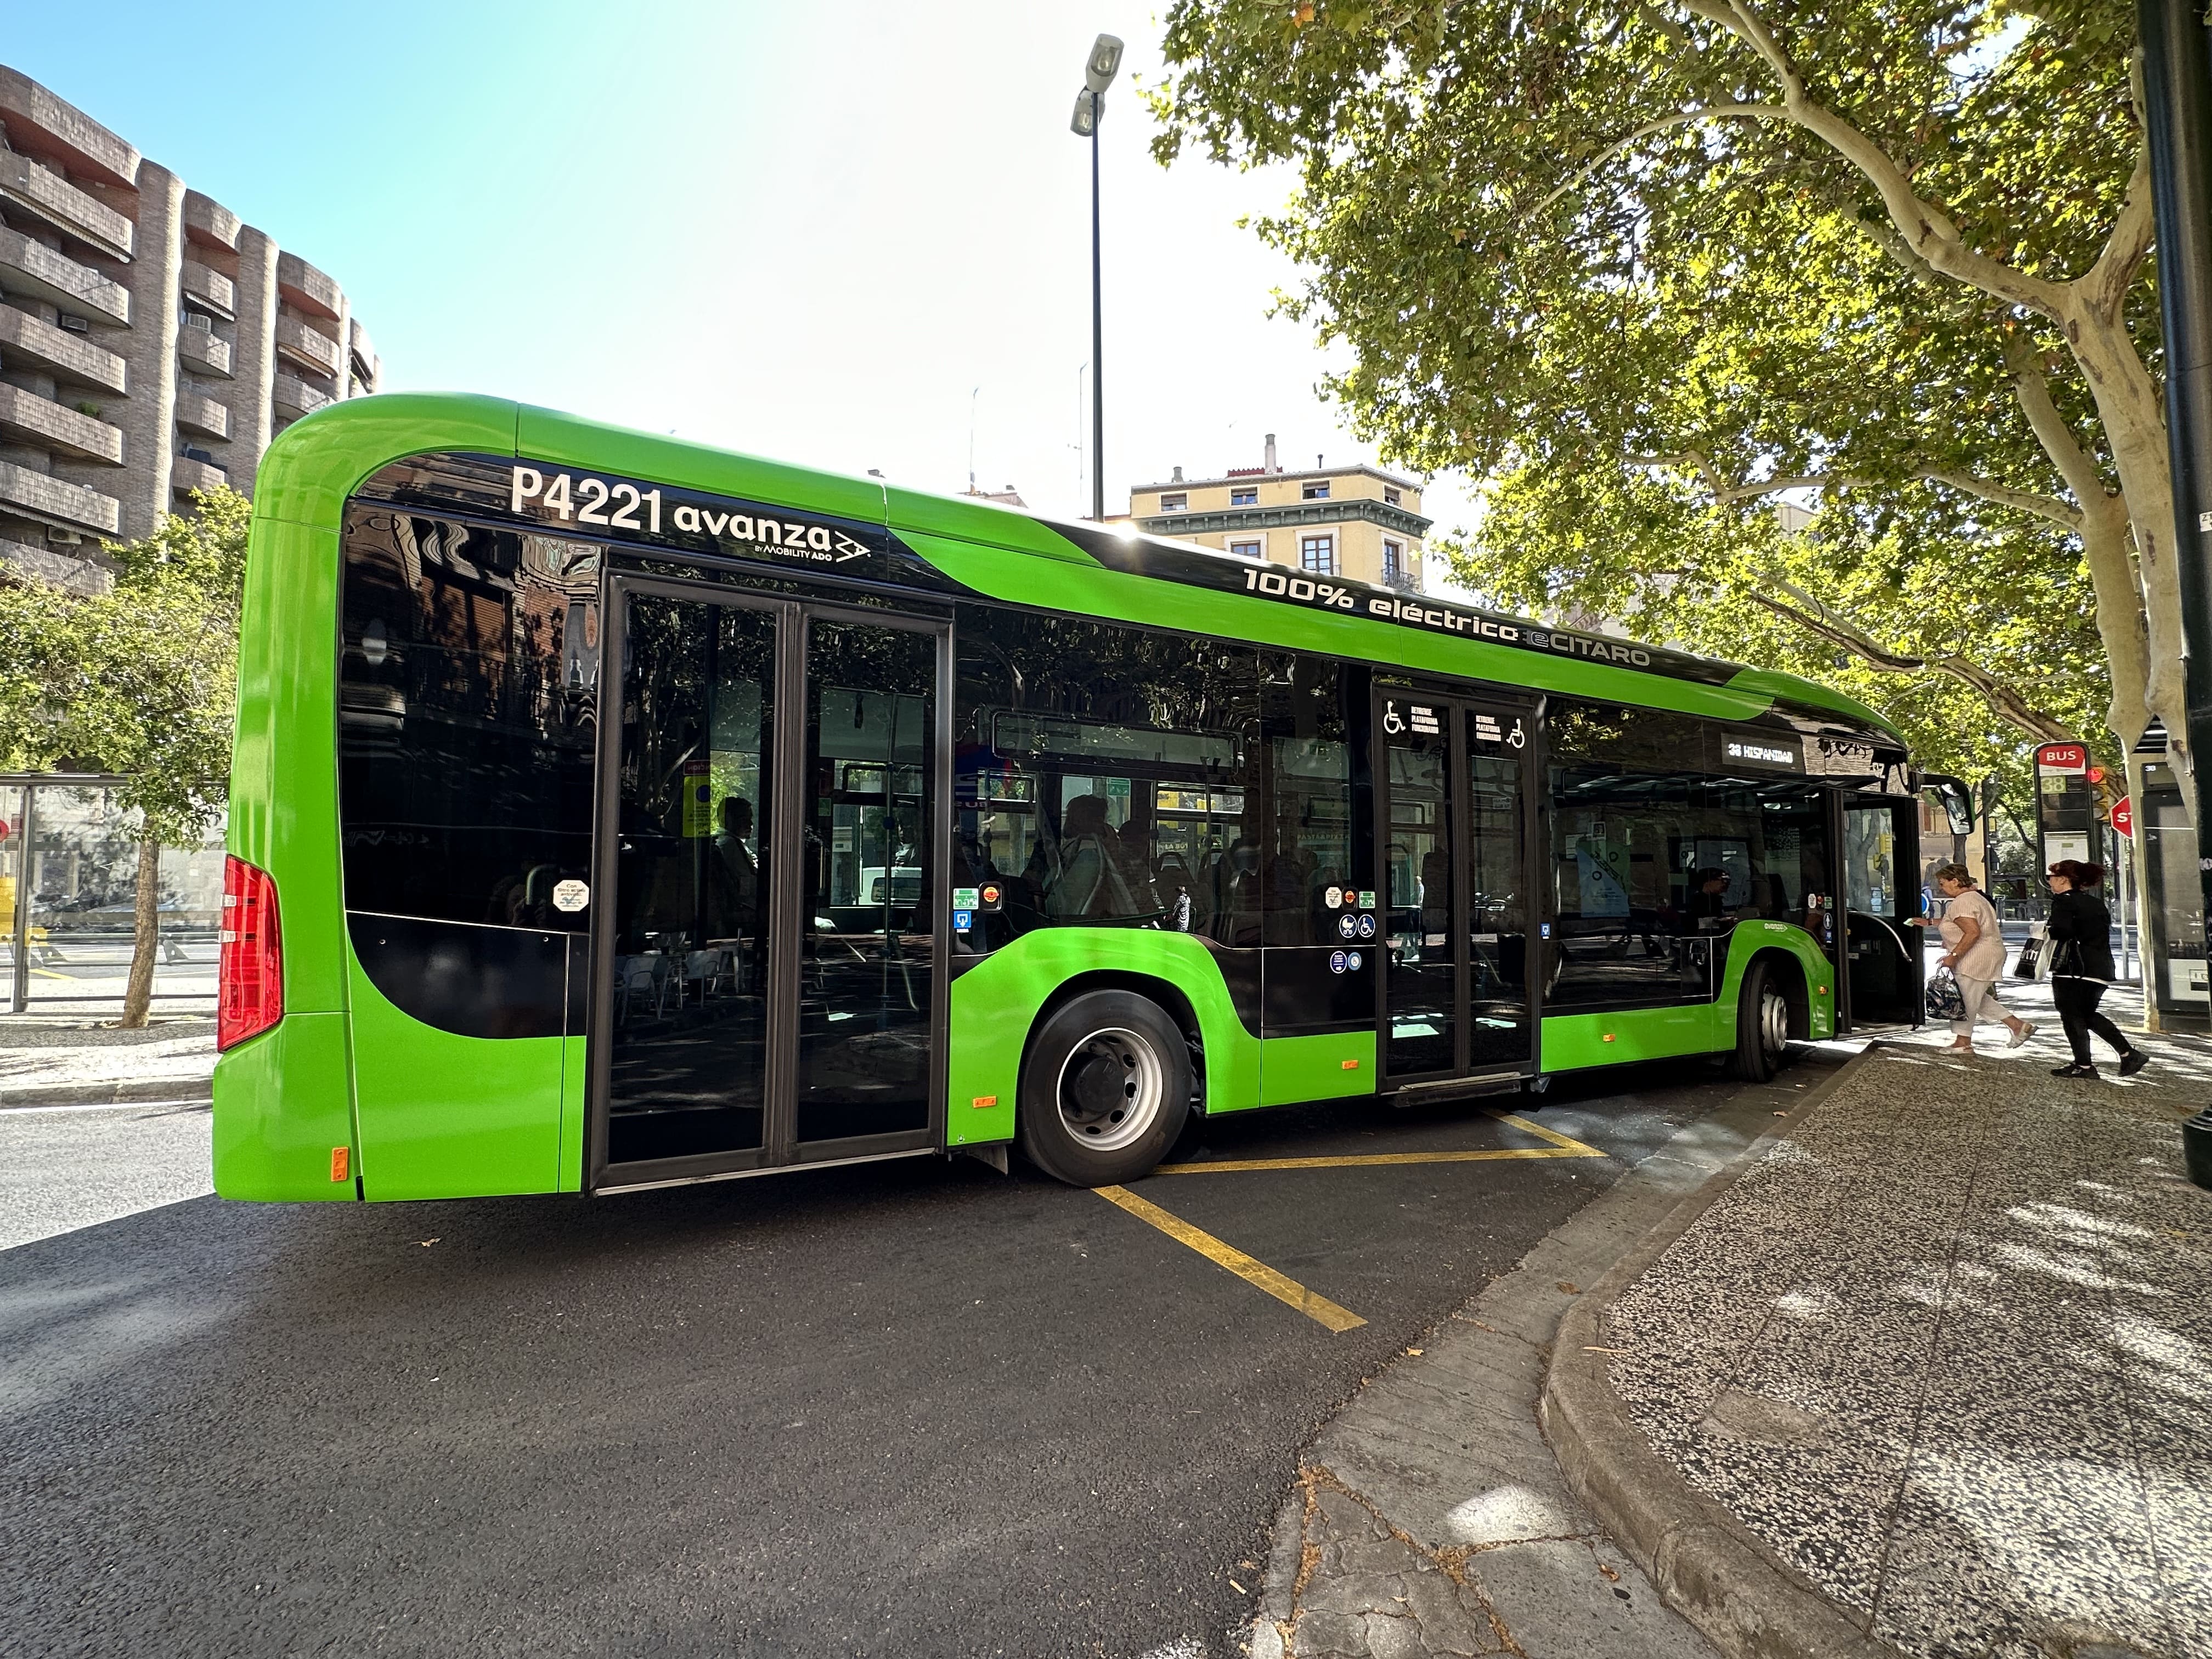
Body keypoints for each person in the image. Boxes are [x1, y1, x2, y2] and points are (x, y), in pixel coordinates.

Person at [1908, 864, 2032, 1054]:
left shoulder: (1963, 902)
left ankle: (1963, 1043)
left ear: (1955, 881)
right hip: (1985, 954)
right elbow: (1956, 922)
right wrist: (1930, 922)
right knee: (1976, 997)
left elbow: (1972, 932)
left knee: (1965, 1000)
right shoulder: (1973, 898)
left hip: (1975, 957)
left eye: (1943, 883)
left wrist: (1954, 955)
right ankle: (2017, 1025)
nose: (1941, 888)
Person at [2044, 860, 2146, 1079]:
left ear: (2063, 879)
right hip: (2100, 967)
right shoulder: (2095, 903)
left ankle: (2087, 1065)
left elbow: (2061, 931)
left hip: (2074, 967)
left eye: (2051, 876)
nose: (2049, 881)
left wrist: (2047, 928)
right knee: (2085, 1014)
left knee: (2071, 1015)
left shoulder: (2063, 901)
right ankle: (2125, 1054)